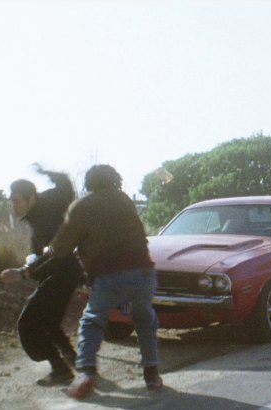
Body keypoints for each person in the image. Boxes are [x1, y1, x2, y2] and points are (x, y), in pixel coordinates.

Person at [39, 164, 162, 399]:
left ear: (89, 183)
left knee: (92, 320)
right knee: (144, 318)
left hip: (110, 273)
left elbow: (62, 245)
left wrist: (48, 249)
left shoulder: (82, 205)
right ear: (115, 180)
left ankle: (86, 372)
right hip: (143, 270)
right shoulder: (124, 200)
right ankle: (152, 374)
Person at [0, 166, 84, 386]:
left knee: (27, 323)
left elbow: (56, 253)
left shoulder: (48, 209)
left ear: (30, 199)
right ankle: (73, 360)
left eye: (17, 200)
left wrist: (23, 273)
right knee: (49, 320)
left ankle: (60, 368)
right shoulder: (37, 213)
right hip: (63, 272)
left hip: (64, 272)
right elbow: (40, 253)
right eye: (12, 200)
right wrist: (30, 265)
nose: (14, 205)